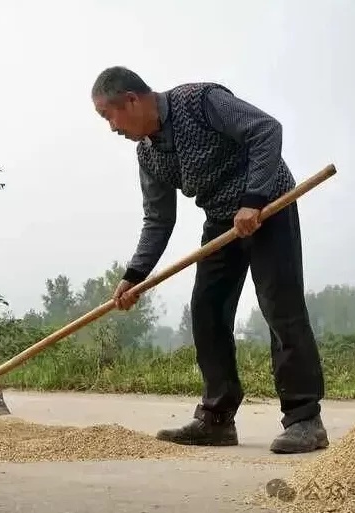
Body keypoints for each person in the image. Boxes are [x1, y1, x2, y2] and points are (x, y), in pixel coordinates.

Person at [90, 66, 329, 454]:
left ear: (132, 100)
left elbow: (266, 130)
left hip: (268, 206)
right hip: (221, 221)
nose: (111, 128)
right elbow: (158, 219)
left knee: (279, 306)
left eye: (108, 115)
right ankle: (216, 419)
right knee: (206, 310)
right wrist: (134, 275)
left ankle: (305, 420)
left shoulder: (199, 101)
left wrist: (253, 199)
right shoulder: (148, 154)